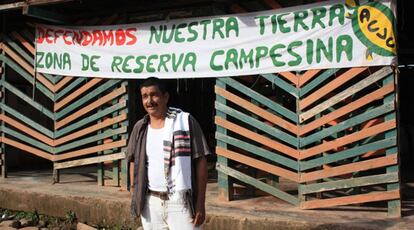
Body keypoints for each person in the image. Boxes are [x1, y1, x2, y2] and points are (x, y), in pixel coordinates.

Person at [126, 77, 210, 230]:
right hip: (150, 202)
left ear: (165, 97)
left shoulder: (185, 122)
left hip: (180, 202)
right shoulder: (140, 128)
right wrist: (134, 190)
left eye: (154, 95)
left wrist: (200, 203)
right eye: (145, 96)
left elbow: (201, 161)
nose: (149, 101)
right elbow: (132, 159)